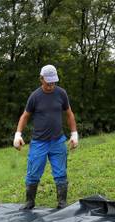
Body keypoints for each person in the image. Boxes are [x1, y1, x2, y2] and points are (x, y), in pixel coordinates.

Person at [13, 64, 78, 210]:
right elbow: (25, 116)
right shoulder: (35, 96)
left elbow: (69, 114)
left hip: (58, 141)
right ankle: (30, 202)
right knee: (33, 173)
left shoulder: (61, 93)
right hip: (39, 143)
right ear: (41, 79)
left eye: (53, 82)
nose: (51, 85)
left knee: (61, 173)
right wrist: (18, 135)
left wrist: (74, 134)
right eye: (48, 82)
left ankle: (62, 203)